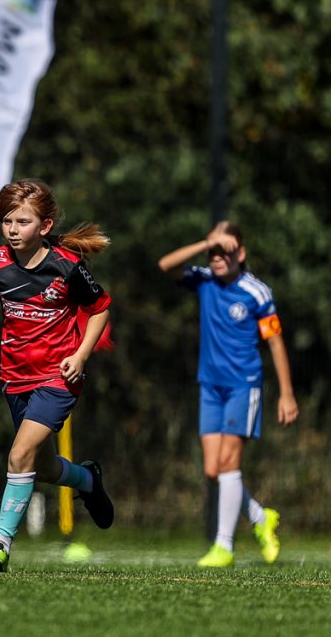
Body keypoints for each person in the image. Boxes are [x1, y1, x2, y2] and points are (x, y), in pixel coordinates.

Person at [0, 179, 114, 573]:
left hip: (58, 377)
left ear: (44, 226)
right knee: (41, 468)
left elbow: (99, 309)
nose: (13, 229)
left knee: (18, 455)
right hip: (15, 378)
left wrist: (81, 355)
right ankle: (88, 480)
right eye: (7, 221)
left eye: (22, 222)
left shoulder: (66, 265)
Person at [158, 221, 298, 568]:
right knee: (212, 470)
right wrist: (206, 242)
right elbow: (165, 265)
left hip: (243, 386)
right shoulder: (203, 280)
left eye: (226, 250)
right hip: (210, 386)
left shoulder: (257, 292)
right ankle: (261, 517)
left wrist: (287, 394)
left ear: (242, 253)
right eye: (213, 251)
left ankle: (224, 546)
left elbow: (275, 343)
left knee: (228, 464)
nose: (218, 257)